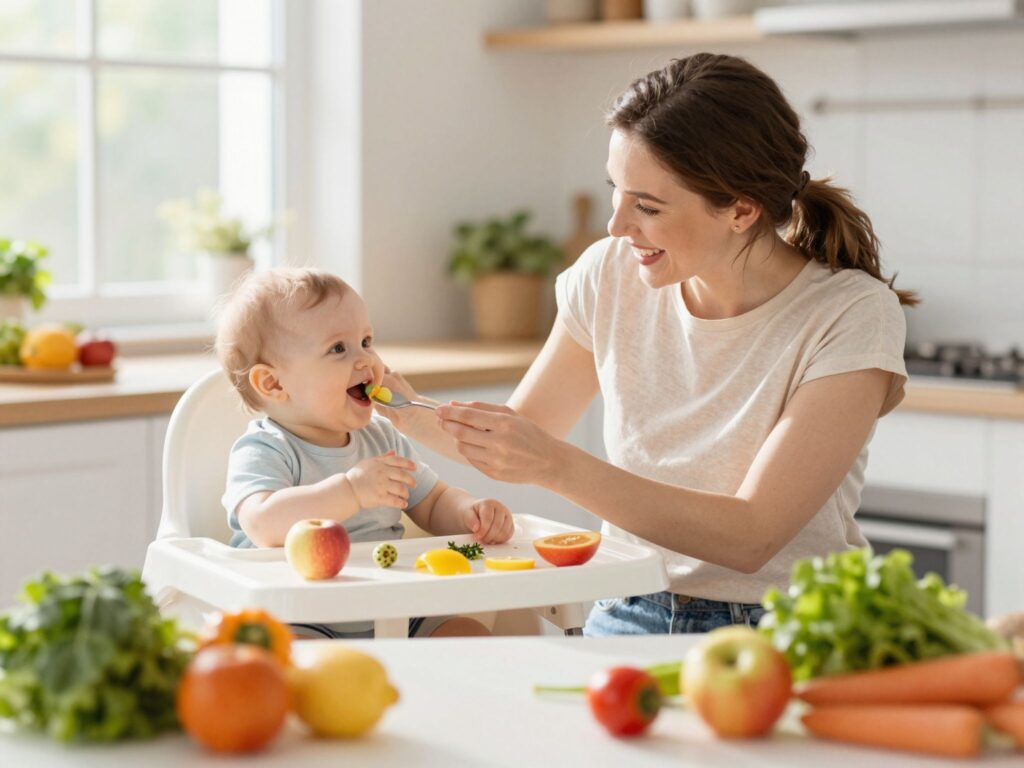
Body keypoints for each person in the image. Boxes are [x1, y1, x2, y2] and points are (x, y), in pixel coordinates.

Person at [380, 53, 916, 636]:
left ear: (741, 209)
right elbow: (518, 434)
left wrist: (553, 464)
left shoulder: (850, 314)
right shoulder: (609, 273)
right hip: (627, 601)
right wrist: (396, 406)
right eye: (616, 189)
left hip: (787, 624)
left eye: (648, 206)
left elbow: (751, 536)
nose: (616, 226)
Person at [215, 267, 514, 639]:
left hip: (392, 610)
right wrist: (350, 491)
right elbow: (263, 524)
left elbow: (433, 502)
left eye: (367, 341)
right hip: (299, 615)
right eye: (338, 348)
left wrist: (470, 513)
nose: (366, 361)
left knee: (468, 634)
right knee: (291, 655)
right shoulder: (266, 448)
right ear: (274, 383)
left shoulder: (381, 437)